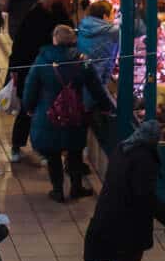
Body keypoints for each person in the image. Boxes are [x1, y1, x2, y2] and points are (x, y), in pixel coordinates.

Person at [83, 120, 165, 261]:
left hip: (112, 208)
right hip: (129, 217)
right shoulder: (144, 159)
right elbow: (143, 194)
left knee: (123, 254)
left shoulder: (124, 148)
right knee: (130, 256)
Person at [21, 22, 112, 201]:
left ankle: (57, 190)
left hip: (49, 114)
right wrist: (106, 106)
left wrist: (29, 107)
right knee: (75, 152)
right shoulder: (82, 61)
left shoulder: (43, 60)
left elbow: (30, 87)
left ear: (55, 40)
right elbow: (96, 88)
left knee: (53, 154)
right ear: (73, 40)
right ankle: (76, 187)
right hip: (74, 114)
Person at [6, 0, 75, 163]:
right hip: (44, 71)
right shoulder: (59, 21)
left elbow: (18, 44)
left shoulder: (32, 15)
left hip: (25, 69)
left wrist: (14, 68)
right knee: (40, 110)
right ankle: (43, 150)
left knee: (26, 108)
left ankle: (17, 146)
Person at [76, 0, 120, 86]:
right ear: (105, 16)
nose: (114, 17)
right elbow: (138, 29)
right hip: (98, 76)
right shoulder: (110, 31)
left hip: (84, 69)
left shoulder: (84, 24)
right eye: (112, 13)